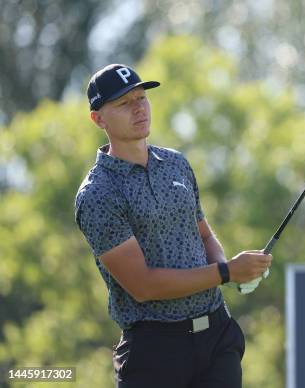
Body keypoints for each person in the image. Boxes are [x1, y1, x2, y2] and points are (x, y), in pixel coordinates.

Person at [74, 64, 271, 388]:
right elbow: (143, 286)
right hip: (155, 352)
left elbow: (204, 234)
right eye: (124, 103)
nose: (139, 107)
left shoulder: (176, 164)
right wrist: (226, 273)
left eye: (142, 97)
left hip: (217, 337)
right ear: (99, 119)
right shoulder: (98, 193)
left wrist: (228, 267)